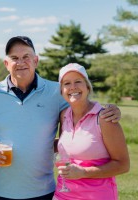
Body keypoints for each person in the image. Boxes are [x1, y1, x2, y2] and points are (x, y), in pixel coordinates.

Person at [0, 36, 121, 200]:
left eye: (26, 57)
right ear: (6, 63)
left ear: (36, 61)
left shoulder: (57, 92)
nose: (21, 62)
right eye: (14, 58)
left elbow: (82, 105)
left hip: (44, 192)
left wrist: (111, 109)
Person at [53, 63, 130, 200]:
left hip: (97, 196)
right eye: (67, 83)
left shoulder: (104, 118)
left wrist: (84, 172)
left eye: (78, 81)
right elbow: (69, 146)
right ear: (62, 90)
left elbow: (123, 165)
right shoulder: (64, 115)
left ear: (87, 87)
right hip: (63, 194)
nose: (73, 87)